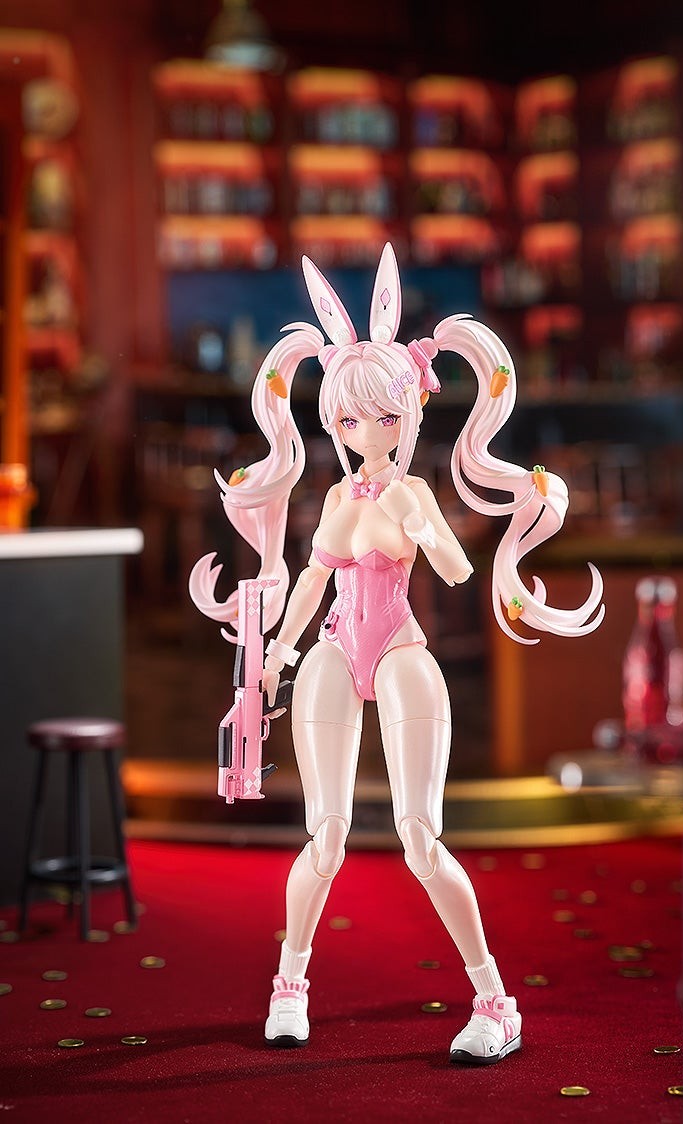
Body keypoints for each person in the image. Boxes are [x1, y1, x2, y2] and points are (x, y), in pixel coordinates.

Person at [190, 243, 604, 1064]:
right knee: (326, 835)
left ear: (409, 414)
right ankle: (289, 983)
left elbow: (456, 572)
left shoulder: (412, 491)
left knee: (419, 835)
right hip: (334, 648)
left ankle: (495, 1001)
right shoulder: (337, 496)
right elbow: (313, 581)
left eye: (383, 417)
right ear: (333, 423)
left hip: (401, 645)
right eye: (350, 420)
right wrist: (276, 654)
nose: (367, 432)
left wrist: (423, 527)